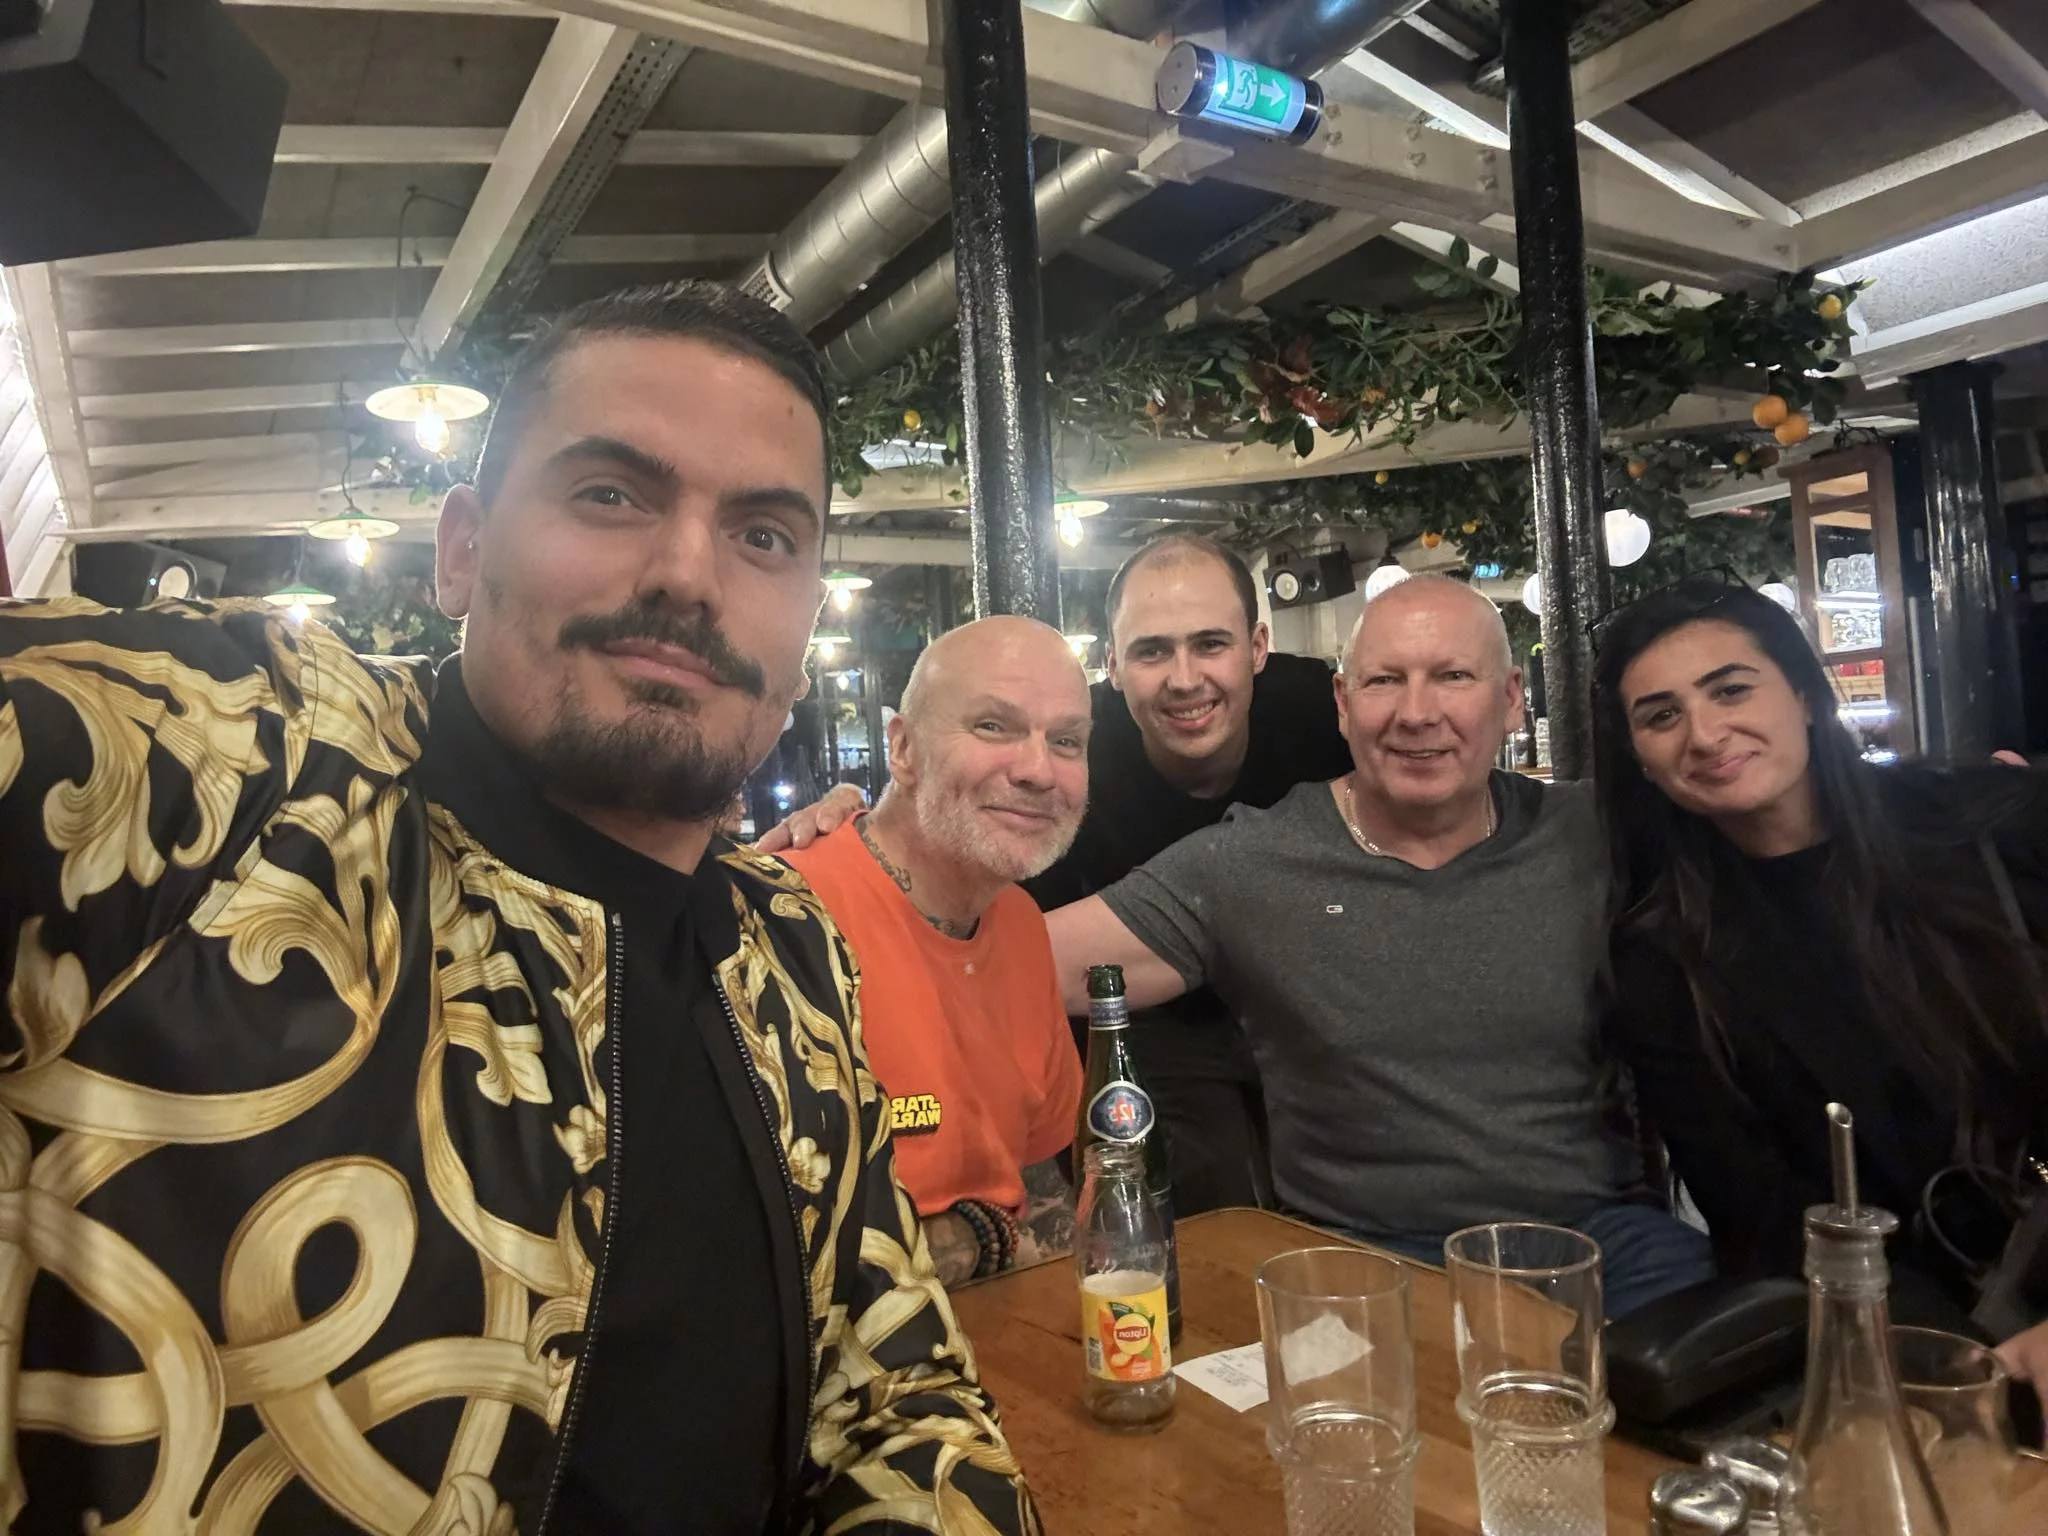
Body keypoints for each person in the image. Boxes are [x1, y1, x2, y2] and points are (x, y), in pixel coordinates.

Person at [0, 281, 1036, 1533]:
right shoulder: (246, 771)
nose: (686, 574)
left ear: (809, 618)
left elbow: (893, 1389)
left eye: (763, 536)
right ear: (461, 551)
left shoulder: (790, 949)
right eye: (610, 494)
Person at [1045, 575, 1718, 1318]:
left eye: (1453, 677)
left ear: (1510, 698)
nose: (1417, 713)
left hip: (1602, 1247)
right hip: (1361, 1259)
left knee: (1751, 1357)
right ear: (1343, 703)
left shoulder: (1599, 835)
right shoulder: (1249, 864)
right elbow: (1020, 969)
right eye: (1384, 681)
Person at [765, 532, 1353, 1214]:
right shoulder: (1074, 755)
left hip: (1299, 996)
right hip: (1136, 1018)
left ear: (1257, 648)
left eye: (1210, 644)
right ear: (1115, 666)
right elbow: (943, 821)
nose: (1185, 678)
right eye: (1152, 650)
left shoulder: (1323, 714)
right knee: (1182, 1191)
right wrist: (856, 821)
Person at [1592, 571, 2048, 1401]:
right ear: (1642, 762)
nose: (1705, 733)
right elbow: (1763, 1219)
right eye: (1661, 716)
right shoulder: (1664, 959)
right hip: (1908, 1350)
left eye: (1731, 689)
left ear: (1804, 695)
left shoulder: (1998, 828)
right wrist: (1964, 1370)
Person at [783, 618, 1089, 1286]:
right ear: (903, 748)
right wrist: (983, 1238)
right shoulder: (789, 917)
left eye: (1066, 740)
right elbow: (773, 1254)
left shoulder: (1021, 923)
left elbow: (1041, 1188)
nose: (1039, 770)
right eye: (993, 726)